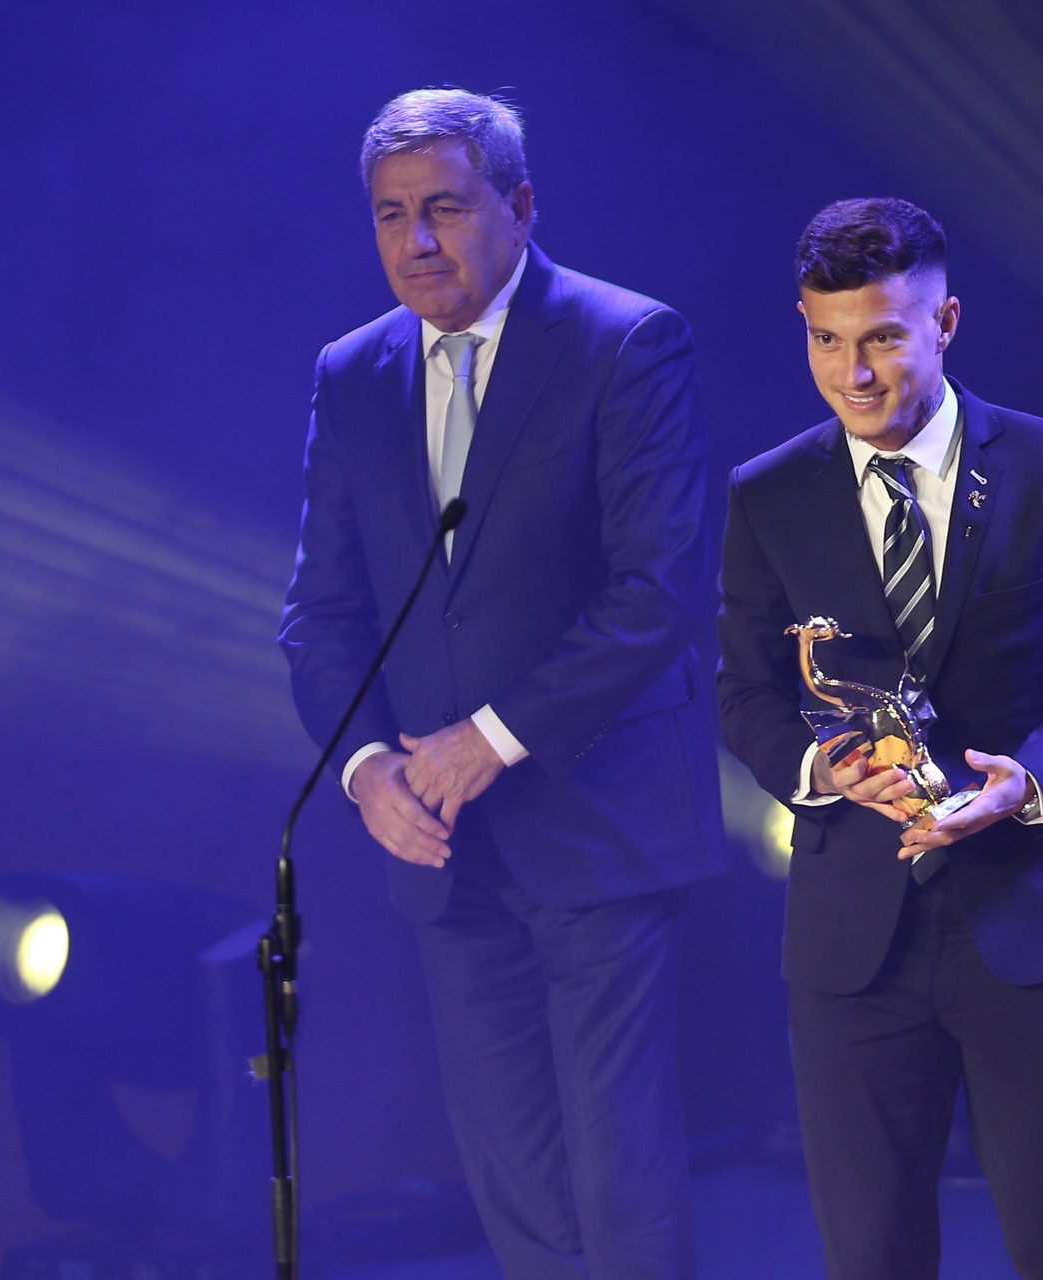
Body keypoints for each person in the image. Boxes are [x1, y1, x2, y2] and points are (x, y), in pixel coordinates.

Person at [278, 87, 720, 1279]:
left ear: (520, 206)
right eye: (388, 216)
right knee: (514, 1181)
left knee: (618, 1166)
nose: (417, 243)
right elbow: (319, 618)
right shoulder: (352, 373)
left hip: (602, 819)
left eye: (445, 210)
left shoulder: (625, 341)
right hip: (444, 842)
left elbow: (660, 587)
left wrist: (493, 733)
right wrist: (370, 772)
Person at [715, 197, 1043, 1280]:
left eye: (881, 336)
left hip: (1028, 927)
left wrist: (1034, 778)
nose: (853, 372)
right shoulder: (766, 494)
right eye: (827, 339)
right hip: (851, 946)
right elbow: (743, 697)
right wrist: (822, 770)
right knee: (870, 1261)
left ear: (945, 321)